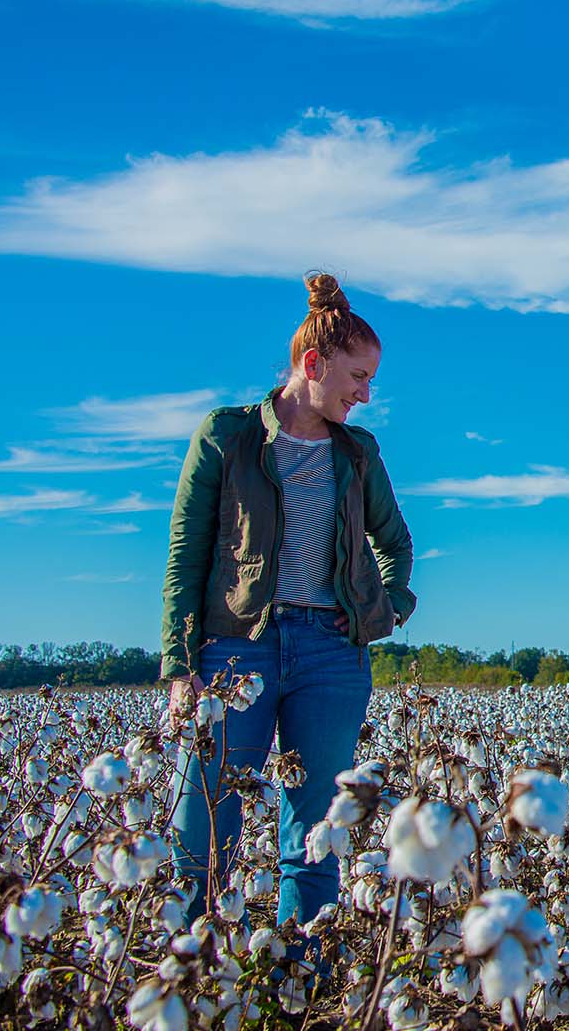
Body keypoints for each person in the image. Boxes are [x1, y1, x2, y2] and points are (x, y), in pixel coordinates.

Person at [161, 271, 416, 931]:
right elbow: (186, 552)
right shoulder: (228, 435)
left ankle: (298, 982)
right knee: (205, 824)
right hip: (233, 649)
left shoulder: (357, 454)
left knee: (313, 835)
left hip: (332, 656)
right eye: (357, 378)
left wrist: (380, 611)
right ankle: (194, 971)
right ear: (313, 363)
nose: (364, 395)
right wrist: (180, 663)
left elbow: (394, 542)